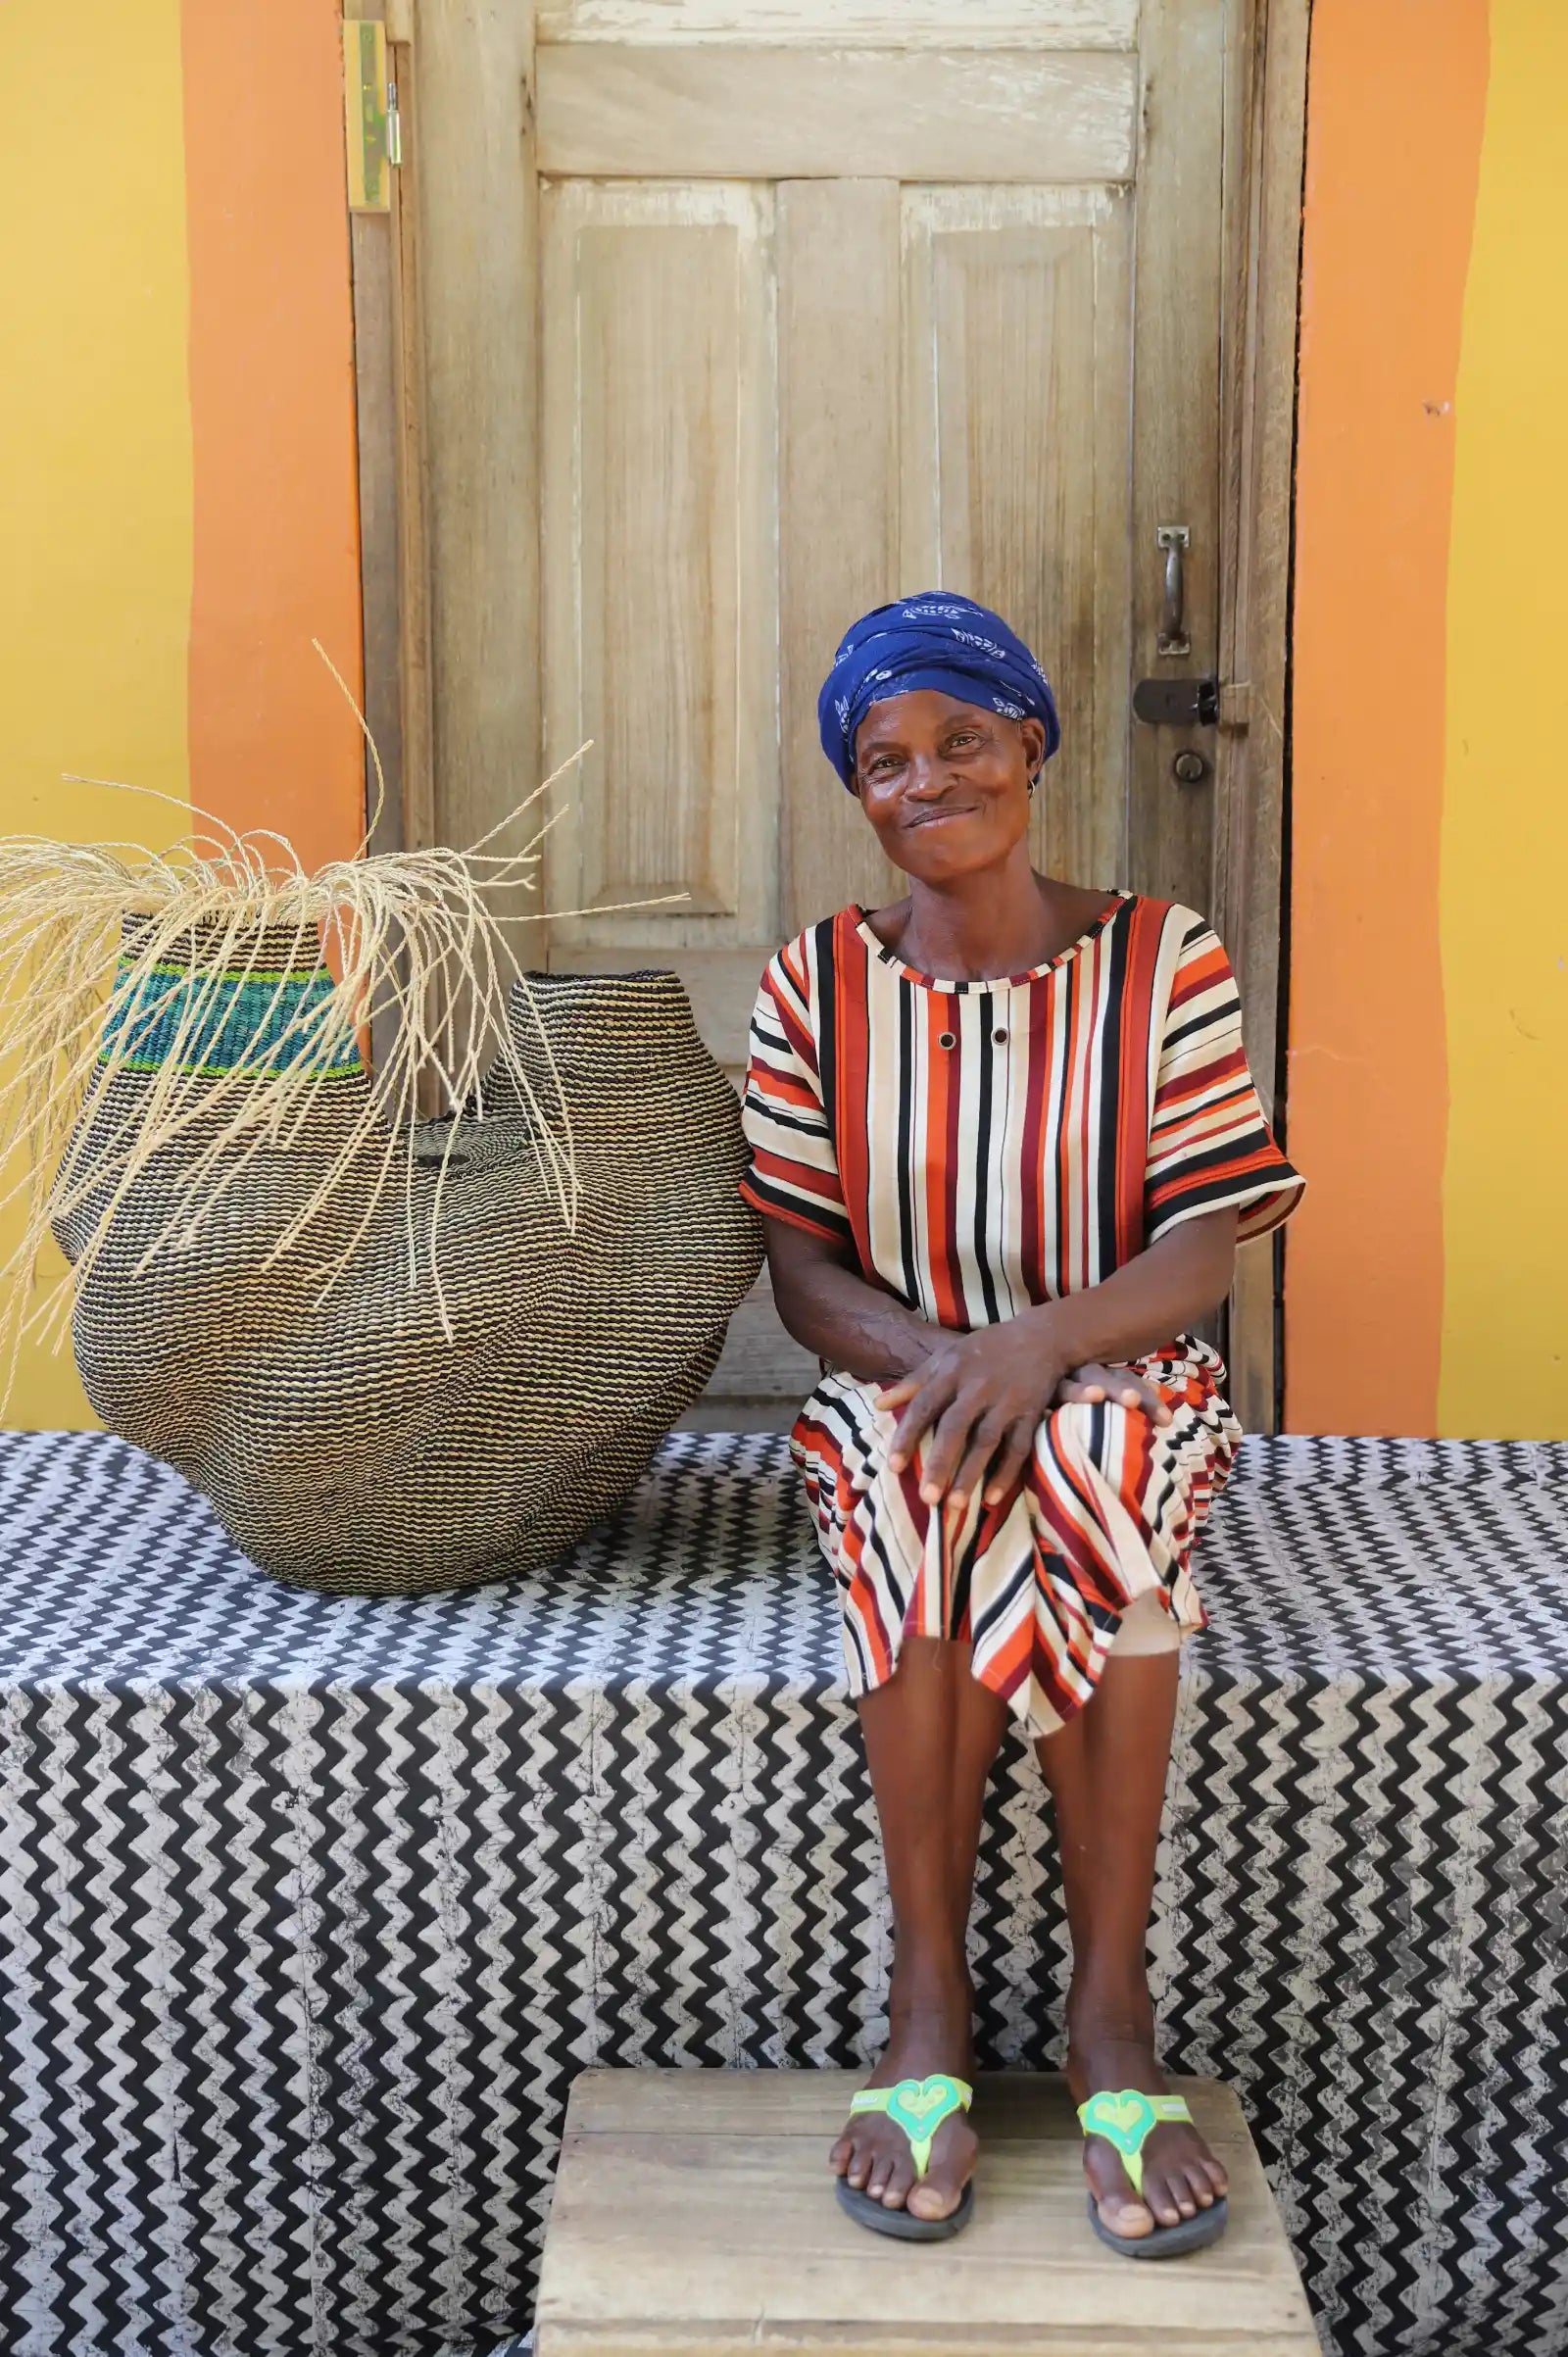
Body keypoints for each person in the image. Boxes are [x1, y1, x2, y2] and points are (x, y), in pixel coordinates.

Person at [738, 594, 1302, 2258]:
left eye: (961, 740)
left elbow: (1202, 1247)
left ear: (1031, 745)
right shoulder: (815, 987)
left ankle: (1111, 2009)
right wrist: (945, 1366)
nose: (926, 781)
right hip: (898, 1372)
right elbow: (801, 1269)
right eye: (885, 761)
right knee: (930, 1474)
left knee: (1094, 1462)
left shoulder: (1166, 958)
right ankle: (929, 2000)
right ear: (860, 792)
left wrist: (1040, 1347)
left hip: (1121, 1367)